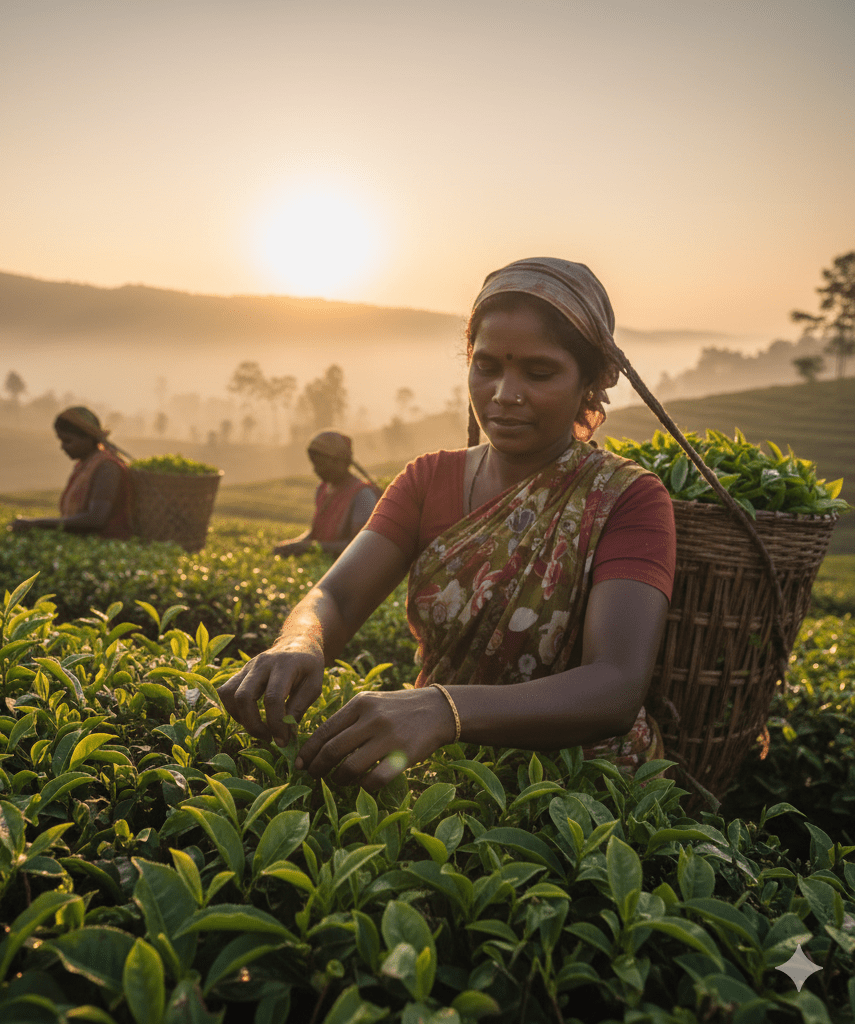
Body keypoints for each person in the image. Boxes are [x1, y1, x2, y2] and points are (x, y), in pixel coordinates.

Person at [219, 257, 676, 792]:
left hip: (584, 791)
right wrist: (299, 642)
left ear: (591, 382)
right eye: (487, 367)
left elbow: (614, 687)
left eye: (539, 372)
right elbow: (336, 600)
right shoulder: (427, 480)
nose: (505, 393)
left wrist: (444, 709)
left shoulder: (627, 499)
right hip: (442, 769)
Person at [10, 407, 133, 538]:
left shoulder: (107, 468)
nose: (62, 447)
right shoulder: (85, 466)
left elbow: (96, 519)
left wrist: (36, 523)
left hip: (106, 545)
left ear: (88, 438)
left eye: (68, 441)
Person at [273, 431, 382, 558]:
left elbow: (360, 546)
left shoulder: (363, 494)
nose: (316, 470)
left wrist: (309, 547)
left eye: (321, 464)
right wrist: (295, 545)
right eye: (314, 464)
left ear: (339, 462)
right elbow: (317, 532)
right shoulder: (323, 489)